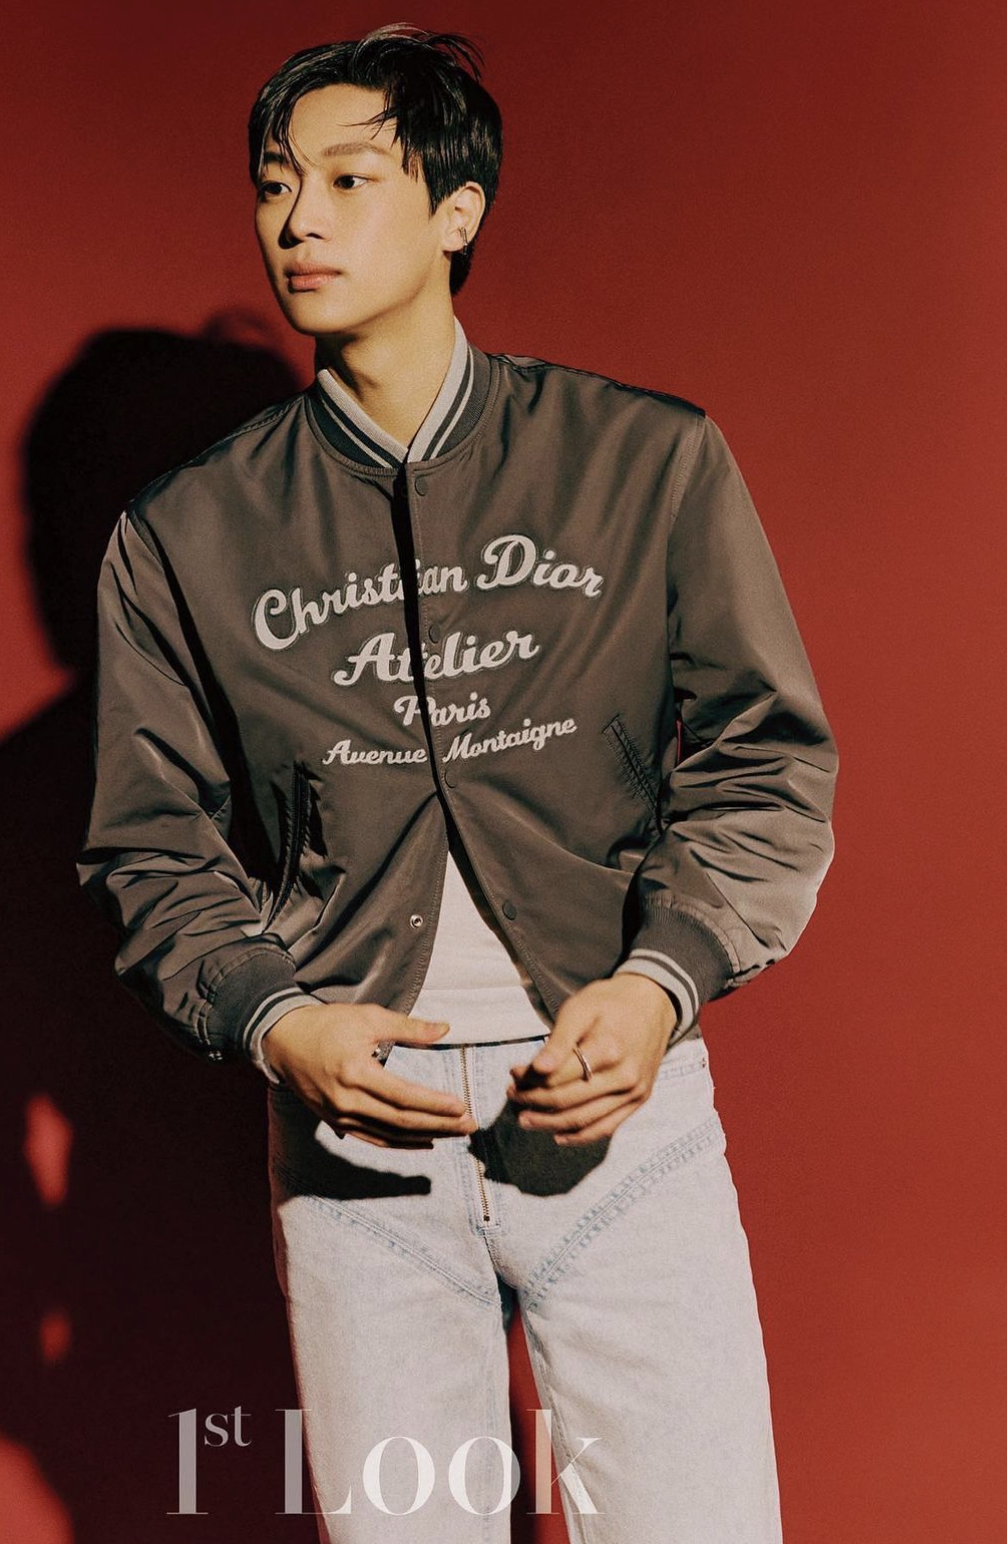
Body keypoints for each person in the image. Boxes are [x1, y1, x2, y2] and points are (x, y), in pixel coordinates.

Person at [76, 24, 837, 1543]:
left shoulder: (644, 463)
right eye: (274, 184)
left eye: (349, 179)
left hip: (617, 1114)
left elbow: (767, 762)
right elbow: (148, 846)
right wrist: (275, 1020)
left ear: (455, 209)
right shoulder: (186, 534)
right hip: (356, 1153)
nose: (297, 220)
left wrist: (661, 983)